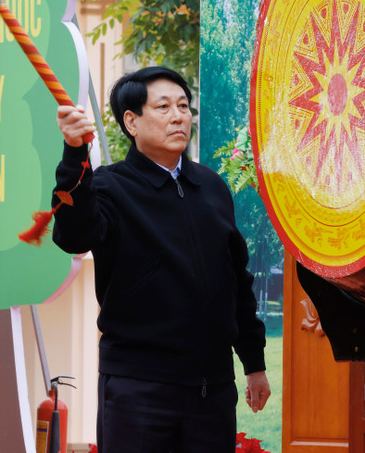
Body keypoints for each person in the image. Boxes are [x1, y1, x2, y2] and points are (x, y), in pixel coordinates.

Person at [52, 66, 270, 453]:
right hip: (139, 389)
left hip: (213, 392)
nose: (178, 116)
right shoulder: (109, 185)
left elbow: (237, 282)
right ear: (131, 122)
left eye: (184, 106)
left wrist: (253, 364)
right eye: (164, 106)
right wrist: (74, 153)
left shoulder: (213, 188)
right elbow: (72, 235)